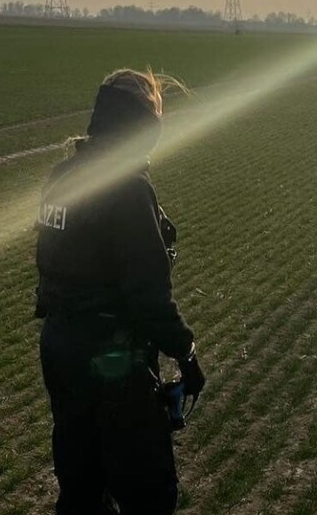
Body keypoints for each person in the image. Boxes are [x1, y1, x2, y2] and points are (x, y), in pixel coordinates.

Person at [34, 68, 206, 514]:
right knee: (149, 493)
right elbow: (148, 296)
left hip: (59, 349)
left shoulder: (61, 176)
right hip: (113, 362)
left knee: (80, 488)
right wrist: (186, 354)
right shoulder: (128, 190)